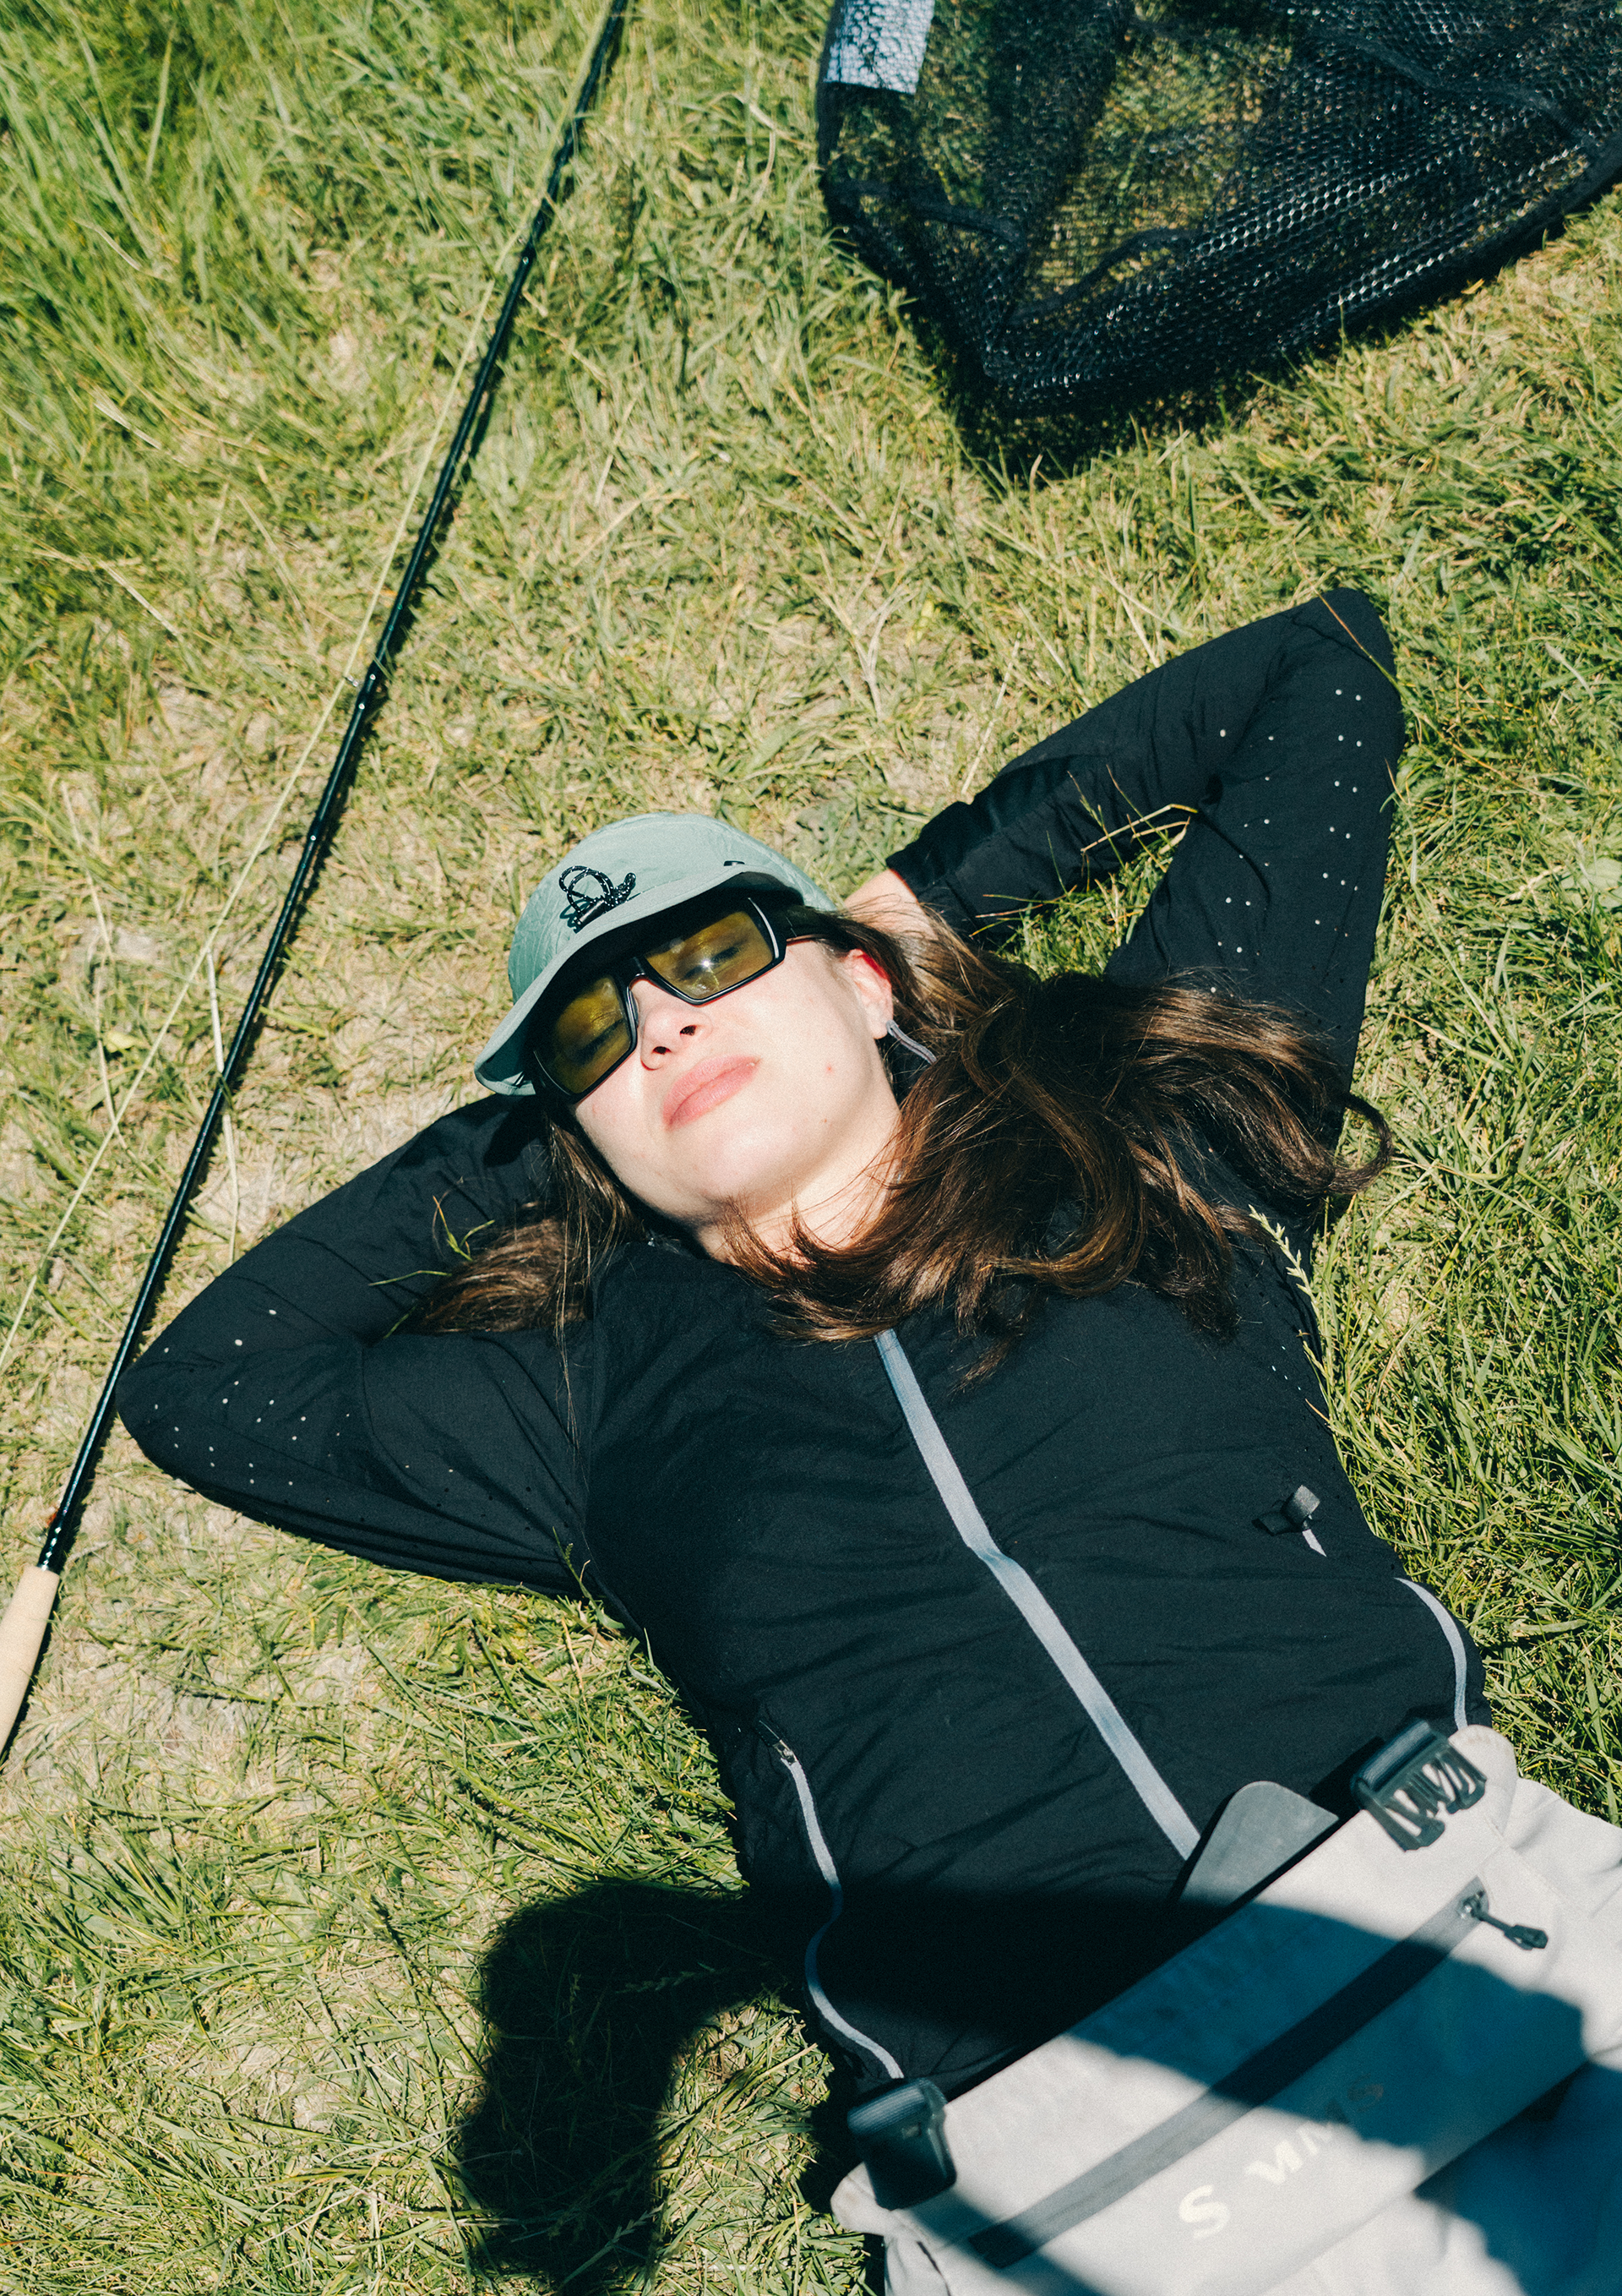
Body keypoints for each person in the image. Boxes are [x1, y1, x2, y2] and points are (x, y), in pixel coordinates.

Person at [121, 587, 1602, 2281]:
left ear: (855, 980)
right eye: (598, 1025)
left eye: (711, 956)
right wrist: (557, 1127)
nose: (664, 1021)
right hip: (1075, 2180)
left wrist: (931, 896)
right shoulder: (577, 1400)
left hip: (1474, 1939)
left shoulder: (1143, 1129)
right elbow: (205, 1387)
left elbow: (1314, 666)